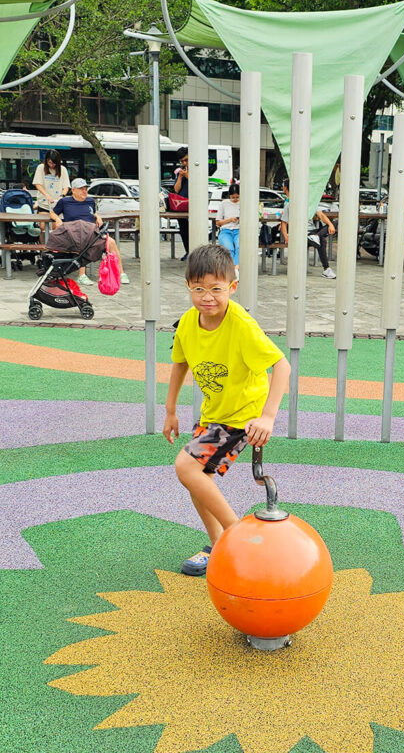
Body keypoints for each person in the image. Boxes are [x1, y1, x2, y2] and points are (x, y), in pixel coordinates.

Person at [163, 245, 290, 576]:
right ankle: (218, 543)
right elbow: (180, 364)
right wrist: (170, 410)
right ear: (189, 287)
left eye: (216, 289)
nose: (208, 297)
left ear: (232, 288)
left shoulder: (241, 325)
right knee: (197, 479)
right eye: (199, 289)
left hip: (240, 417)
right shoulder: (190, 323)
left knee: (187, 468)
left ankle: (236, 534)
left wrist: (268, 417)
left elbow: (282, 366)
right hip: (214, 415)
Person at [49, 178, 129, 285]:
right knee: (83, 243)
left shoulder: (90, 201)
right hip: (74, 234)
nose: (84, 191)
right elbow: (52, 213)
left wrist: (97, 216)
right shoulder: (64, 201)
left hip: (92, 232)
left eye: (85, 189)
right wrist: (58, 219)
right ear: (73, 190)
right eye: (81, 189)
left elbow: (92, 212)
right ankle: (82, 275)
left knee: (111, 242)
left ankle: (121, 273)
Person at [279, 180, 337, 279]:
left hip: (312, 232)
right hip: (299, 233)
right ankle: (326, 269)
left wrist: (330, 224)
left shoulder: (310, 204)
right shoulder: (289, 205)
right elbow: (283, 223)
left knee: (336, 223)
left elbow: (321, 215)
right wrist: (286, 237)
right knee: (322, 241)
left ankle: (316, 236)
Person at [215, 183, 241, 277]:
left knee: (239, 246)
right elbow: (218, 222)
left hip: (238, 230)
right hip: (226, 230)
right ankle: (234, 269)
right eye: (233, 197)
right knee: (229, 248)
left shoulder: (243, 204)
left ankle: (235, 269)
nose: (235, 199)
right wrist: (230, 220)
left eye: (237, 197)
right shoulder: (224, 204)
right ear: (229, 195)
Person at [171, 147, 190, 260]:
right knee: (183, 229)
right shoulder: (180, 171)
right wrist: (181, 177)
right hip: (181, 204)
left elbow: (198, 183)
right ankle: (188, 250)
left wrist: (187, 176)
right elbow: (176, 189)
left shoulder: (198, 168)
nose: (184, 163)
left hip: (193, 203)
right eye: (182, 161)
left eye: (186, 160)